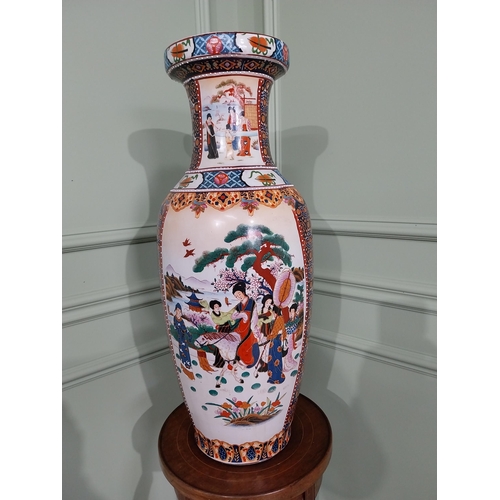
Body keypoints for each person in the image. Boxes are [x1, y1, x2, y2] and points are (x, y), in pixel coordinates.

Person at [231, 282, 259, 367]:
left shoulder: (251, 302)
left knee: (245, 345)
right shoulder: (239, 305)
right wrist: (241, 315)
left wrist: (253, 328)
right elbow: (233, 316)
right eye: (236, 296)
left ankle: (247, 361)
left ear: (243, 292)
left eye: (239, 294)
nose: (238, 297)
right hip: (241, 327)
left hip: (249, 327)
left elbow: (255, 316)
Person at [171, 303, 194, 380]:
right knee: (182, 349)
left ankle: (187, 364)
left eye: (179, 310)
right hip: (180, 336)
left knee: (185, 349)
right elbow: (175, 327)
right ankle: (184, 363)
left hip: (183, 336)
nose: (178, 311)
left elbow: (185, 329)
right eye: (177, 310)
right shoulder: (175, 318)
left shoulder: (181, 320)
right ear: (175, 310)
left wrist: (189, 334)